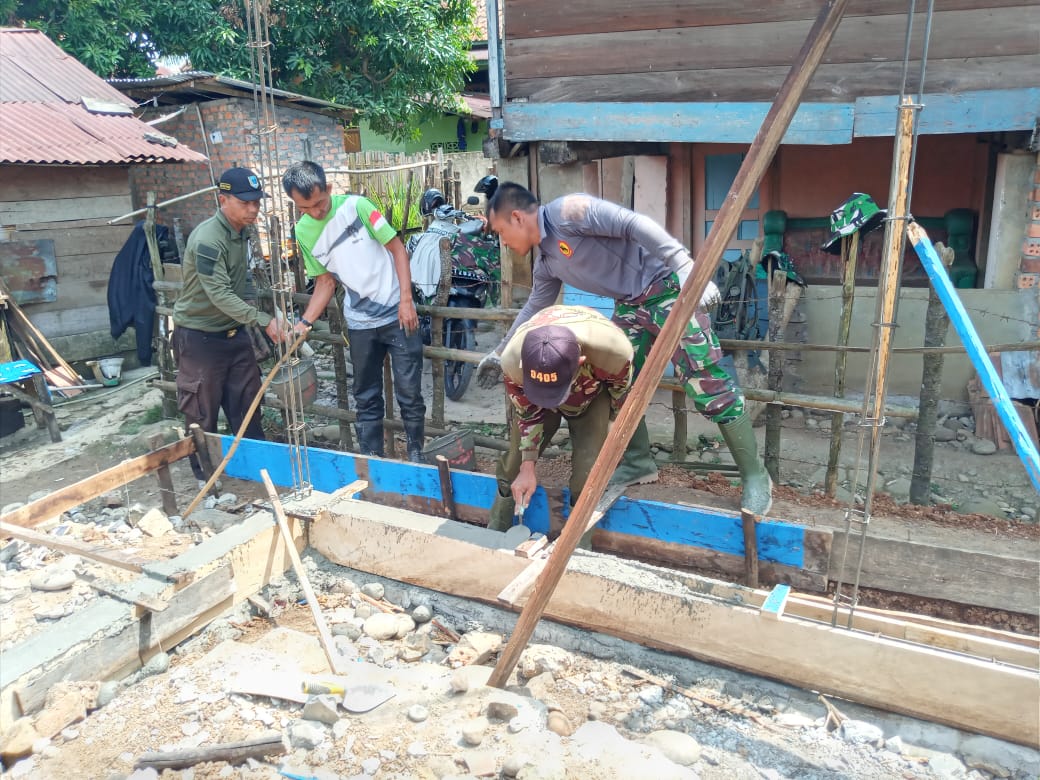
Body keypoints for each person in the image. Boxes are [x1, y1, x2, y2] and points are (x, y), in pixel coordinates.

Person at [478, 182, 772, 516]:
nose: (503, 241)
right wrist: (500, 352)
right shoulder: (546, 262)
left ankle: (754, 476)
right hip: (631, 305)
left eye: (501, 232)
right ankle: (637, 462)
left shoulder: (568, 212)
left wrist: (687, 268)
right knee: (619, 381)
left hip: (669, 289)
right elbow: (535, 306)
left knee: (706, 382)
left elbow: (633, 224)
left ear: (516, 217)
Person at [283, 160, 426, 461]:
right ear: (295, 204)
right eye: (305, 208)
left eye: (319, 204)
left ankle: (416, 455)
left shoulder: (358, 207)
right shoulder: (304, 232)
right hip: (359, 323)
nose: (316, 212)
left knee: (409, 393)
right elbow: (325, 282)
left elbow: (397, 248)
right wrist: (305, 322)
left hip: (397, 313)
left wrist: (405, 300)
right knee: (366, 395)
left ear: (329, 189)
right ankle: (370, 459)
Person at [491, 304, 633, 548]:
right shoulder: (513, 361)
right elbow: (527, 413)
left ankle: (576, 550)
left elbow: (619, 399)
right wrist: (527, 465)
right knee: (513, 465)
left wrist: (611, 435)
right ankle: (494, 534)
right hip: (537, 401)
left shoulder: (613, 354)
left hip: (591, 396)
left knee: (588, 475)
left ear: (580, 362)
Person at [172, 166, 284, 471]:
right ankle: (204, 476)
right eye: (244, 203)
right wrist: (262, 319)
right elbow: (218, 294)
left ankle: (253, 468)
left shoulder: (242, 232)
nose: (253, 210)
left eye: (256, 203)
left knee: (247, 404)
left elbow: (242, 280)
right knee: (201, 412)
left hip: (234, 335)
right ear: (223, 200)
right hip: (200, 337)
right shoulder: (208, 239)